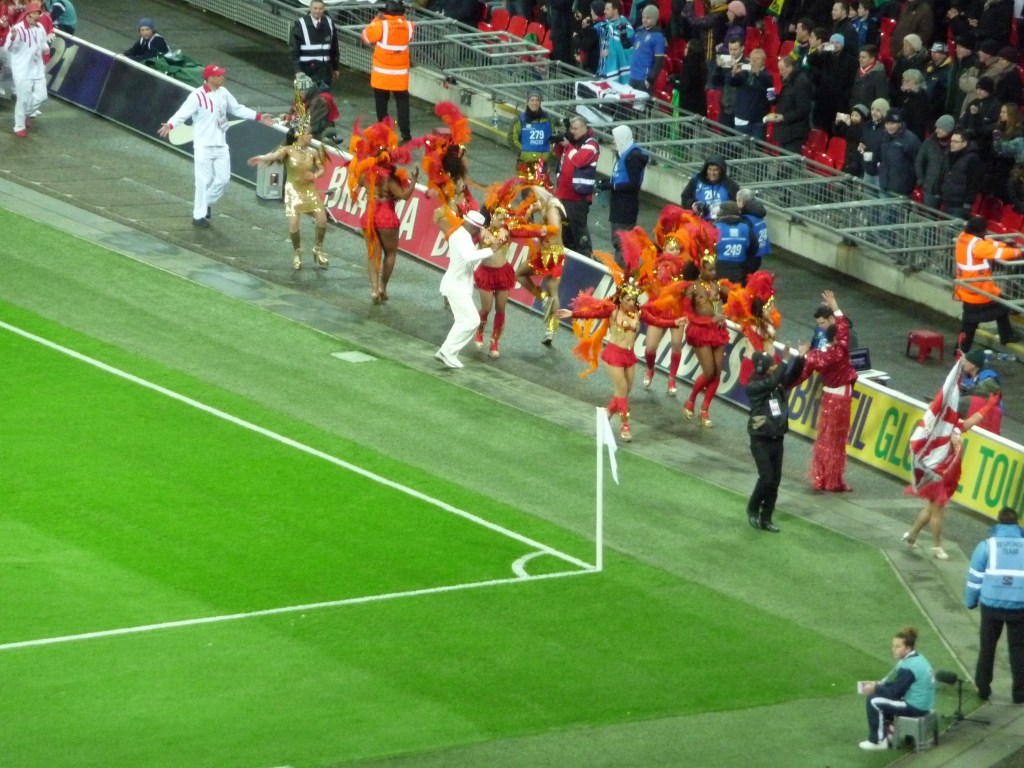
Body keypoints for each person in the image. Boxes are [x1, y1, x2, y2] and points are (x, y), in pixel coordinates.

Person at [158, 65, 277, 227]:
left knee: (223, 180)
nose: (222, 78)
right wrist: (170, 125)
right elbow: (182, 113)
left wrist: (258, 117)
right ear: (210, 78)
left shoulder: (224, 93)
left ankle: (206, 203)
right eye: (219, 76)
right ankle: (198, 215)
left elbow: (237, 109)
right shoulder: (196, 96)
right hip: (203, 145)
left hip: (221, 144)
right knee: (203, 181)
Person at [902, 365, 998, 559]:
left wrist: (990, 405)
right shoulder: (943, 430)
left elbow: (973, 420)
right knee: (938, 512)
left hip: (941, 475)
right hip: (939, 475)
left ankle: (912, 535)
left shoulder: (956, 427)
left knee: (930, 509)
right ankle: (937, 547)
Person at [247, 115, 330, 271]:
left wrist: (315, 175)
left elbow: (321, 169)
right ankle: (297, 252)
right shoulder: (287, 150)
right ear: (299, 135)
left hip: (309, 190)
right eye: (308, 133)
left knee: (322, 220)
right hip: (293, 191)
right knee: (293, 224)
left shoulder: (313, 152)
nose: (311, 136)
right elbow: (274, 156)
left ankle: (317, 249)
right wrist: (262, 158)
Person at [796, 290, 858, 492]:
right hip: (840, 400)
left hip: (829, 397)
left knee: (824, 439)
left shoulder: (818, 355)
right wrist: (835, 306)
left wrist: (800, 357)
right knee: (836, 442)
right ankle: (833, 480)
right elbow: (844, 329)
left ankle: (821, 478)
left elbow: (803, 373)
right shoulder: (839, 352)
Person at [965, 506, 1024, 704]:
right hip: (1020, 606)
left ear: (998, 523)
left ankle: (983, 689)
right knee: (1019, 651)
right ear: (1017, 524)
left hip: (991, 606)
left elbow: (975, 578)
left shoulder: (986, 546)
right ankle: (1020, 694)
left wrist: (971, 601)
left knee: (987, 647)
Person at [746, 349, 806, 532]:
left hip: (776, 437)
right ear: (763, 368)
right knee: (766, 477)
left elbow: (793, 375)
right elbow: (773, 380)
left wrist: (800, 358)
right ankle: (753, 508)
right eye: (772, 364)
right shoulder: (754, 386)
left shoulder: (776, 385)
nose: (775, 367)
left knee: (775, 481)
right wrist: (785, 361)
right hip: (760, 438)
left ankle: (767, 518)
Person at [857, 626, 935, 750]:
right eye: (893, 646)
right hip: (924, 702)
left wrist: (876, 688)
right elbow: (898, 684)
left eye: (898, 646)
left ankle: (877, 741)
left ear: (908, 648)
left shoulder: (908, 667)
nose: (893, 649)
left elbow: (894, 693)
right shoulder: (918, 658)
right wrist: (879, 685)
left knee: (873, 700)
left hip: (915, 706)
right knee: (883, 695)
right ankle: (890, 730)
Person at [953, 215, 1022, 353]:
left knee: (969, 325)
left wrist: (1004, 244)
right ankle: (1006, 336)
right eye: (985, 230)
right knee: (1001, 306)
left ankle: (960, 350)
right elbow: (998, 252)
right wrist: (1017, 251)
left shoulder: (964, 237)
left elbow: (989, 243)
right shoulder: (977, 246)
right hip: (979, 290)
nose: (986, 233)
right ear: (979, 231)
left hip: (968, 288)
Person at [436, 210, 494, 369]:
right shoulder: (461, 237)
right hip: (456, 286)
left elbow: (470, 262)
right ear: (474, 228)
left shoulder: (463, 236)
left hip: (458, 285)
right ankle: (447, 351)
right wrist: (490, 250)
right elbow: (469, 257)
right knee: (472, 320)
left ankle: (448, 352)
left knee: (464, 320)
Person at [682, 250, 731, 428]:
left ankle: (705, 409)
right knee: (709, 371)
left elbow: (732, 298)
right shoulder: (692, 288)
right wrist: (709, 320)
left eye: (714, 270)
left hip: (717, 331)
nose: (713, 273)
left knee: (717, 371)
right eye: (709, 270)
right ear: (701, 269)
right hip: (700, 331)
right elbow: (688, 313)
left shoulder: (717, 286)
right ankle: (691, 400)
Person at [517, 185, 568, 345]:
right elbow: (534, 207)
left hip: (554, 254)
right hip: (544, 253)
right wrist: (530, 210)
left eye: (536, 198)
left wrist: (535, 229)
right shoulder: (545, 203)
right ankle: (543, 298)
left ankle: (551, 329)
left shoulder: (552, 207)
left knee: (553, 289)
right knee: (520, 273)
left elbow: (554, 228)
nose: (535, 201)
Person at [361, 0, 415, 143]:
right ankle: (406, 133)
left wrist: (376, 19)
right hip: (400, 76)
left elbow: (366, 37)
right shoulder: (409, 26)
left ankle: (384, 132)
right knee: (402, 104)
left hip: (382, 75)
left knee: (381, 104)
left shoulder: (380, 25)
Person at [552, 114, 599, 258]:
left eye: (576, 129)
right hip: (563, 196)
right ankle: (567, 263)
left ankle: (586, 265)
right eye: (571, 129)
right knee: (565, 235)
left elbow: (579, 161)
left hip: (577, 199)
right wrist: (559, 143)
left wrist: (568, 145)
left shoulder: (591, 145)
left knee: (580, 236)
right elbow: (556, 153)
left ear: (585, 128)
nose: (573, 132)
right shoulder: (573, 143)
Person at [599, 124, 648, 265]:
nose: (614, 142)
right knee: (617, 241)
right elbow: (621, 177)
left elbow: (633, 184)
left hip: (626, 207)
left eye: (615, 139)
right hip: (618, 205)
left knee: (623, 243)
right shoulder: (623, 155)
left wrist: (612, 186)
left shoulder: (634, 157)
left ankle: (623, 275)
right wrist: (608, 182)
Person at [4, 0, 46, 138]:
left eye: (38, 13)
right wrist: (13, 39)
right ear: (28, 14)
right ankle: (19, 126)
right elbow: (9, 49)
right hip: (23, 70)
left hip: (38, 69)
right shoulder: (18, 30)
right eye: (35, 13)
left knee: (42, 96)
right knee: (23, 99)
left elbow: (43, 43)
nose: (37, 16)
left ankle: (26, 114)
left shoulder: (40, 28)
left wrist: (45, 49)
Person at [765, 55, 812, 155]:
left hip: (794, 133)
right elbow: (787, 100)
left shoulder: (801, 82)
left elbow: (803, 109)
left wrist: (783, 117)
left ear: (790, 67)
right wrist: (774, 98)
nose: (780, 73)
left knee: (788, 166)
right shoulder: (789, 80)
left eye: (782, 69)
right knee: (783, 165)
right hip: (785, 132)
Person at [290, 0, 339, 91]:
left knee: (323, 100)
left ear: (324, 9)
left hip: (325, 71)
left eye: (320, 8)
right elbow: (294, 50)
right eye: (315, 8)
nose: (317, 11)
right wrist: (297, 70)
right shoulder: (300, 24)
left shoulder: (329, 23)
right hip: (307, 71)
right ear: (310, 8)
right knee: (307, 100)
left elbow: (334, 47)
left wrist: (335, 68)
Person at [509, 87, 553, 186]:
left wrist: (548, 153)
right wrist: (522, 152)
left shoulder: (548, 119)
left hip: (542, 164)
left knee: (542, 194)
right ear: (527, 102)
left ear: (540, 102)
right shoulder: (519, 119)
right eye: (532, 100)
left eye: (537, 100)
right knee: (527, 193)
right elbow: (512, 139)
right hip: (525, 163)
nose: (534, 103)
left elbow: (552, 138)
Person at [730, 48, 773, 140]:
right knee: (738, 149)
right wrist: (733, 73)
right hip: (741, 118)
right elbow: (732, 83)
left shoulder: (767, 76)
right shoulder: (744, 72)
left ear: (763, 61)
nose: (753, 61)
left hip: (757, 121)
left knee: (755, 150)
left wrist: (757, 74)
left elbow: (771, 98)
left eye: (757, 59)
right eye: (752, 58)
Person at [680, 154, 739, 221]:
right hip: (699, 222)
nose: (712, 173)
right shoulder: (696, 180)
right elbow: (685, 198)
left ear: (721, 171)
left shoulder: (731, 185)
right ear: (706, 170)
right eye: (709, 169)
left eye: (715, 170)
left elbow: (737, 205)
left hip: (721, 223)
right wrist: (693, 205)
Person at [959, 348, 1003, 433]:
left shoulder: (987, 380)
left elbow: (982, 396)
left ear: (974, 365)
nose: (963, 363)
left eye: (966, 361)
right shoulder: (970, 378)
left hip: (986, 417)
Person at [712, 200, 758, 284]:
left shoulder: (714, 228)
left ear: (722, 212)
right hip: (740, 273)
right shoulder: (746, 228)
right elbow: (754, 249)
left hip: (718, 272)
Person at [878, 109, 921, 197]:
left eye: (892, 123)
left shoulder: (911, 139)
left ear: (899, 123)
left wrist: (909, 183)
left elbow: (918, 162)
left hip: (901, 191)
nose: (889, 127)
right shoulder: (884, 136)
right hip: (885, 186)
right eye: (887, 124)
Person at [940, 130, 982, 220]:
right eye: (951, 141)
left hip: (960, 205)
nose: (952, 144)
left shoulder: (973, 159)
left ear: (964, 143)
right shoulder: (948, 155)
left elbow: (974, 183)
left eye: (955, 142)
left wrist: (967, 203)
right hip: (947, 200)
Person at [914, 114, 953, 209]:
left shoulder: (955, 144)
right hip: (929, 189)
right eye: (936, 127)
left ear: (948, 130)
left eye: (940, 128)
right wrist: (921, 180)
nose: (936, 130)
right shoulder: (929, 142)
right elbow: (919, 161)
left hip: (948, 192)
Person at [627, 4, 665, 94]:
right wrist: (623, 33)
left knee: (638, 108)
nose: (644, 20)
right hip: (633, 76)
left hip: (644, 79)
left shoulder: (658, 36)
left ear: (654, 19)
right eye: (643, 17)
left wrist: (650, 79)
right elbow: (627, 44)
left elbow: (659, 61)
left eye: (648, 18)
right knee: (628, 106)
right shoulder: (639, 30)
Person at [595, 0, 633, 84]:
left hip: (616, 71)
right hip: (602, 70)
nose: (604, 11)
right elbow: (591, 33)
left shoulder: (625, 26)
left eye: (607, 9)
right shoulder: (604, 24)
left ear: (615, 10)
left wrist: (611, 51)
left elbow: (629, 49)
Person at [737, 188, 770, 273]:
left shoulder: (746, 219)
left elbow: (744, 239)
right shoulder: (758, 214)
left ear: (742, 202)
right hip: (758, 255)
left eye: (737, 200)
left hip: (749, 257)